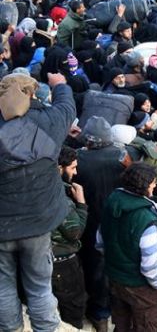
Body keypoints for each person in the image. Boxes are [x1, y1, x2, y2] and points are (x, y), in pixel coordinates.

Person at [0, 72, 74, 332]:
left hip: (2, 226)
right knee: (40, 285)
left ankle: (10, 329)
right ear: (32, 94)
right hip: (39, 221)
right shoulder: (51, 121)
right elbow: (67, 106)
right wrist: (61, 85)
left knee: (3, 283)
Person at [97, 163, 157, 332]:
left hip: (115, 278)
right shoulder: (145, 218)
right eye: (153, 183)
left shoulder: (113, 199)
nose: (155, 186)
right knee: (146, 325)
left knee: (121, 322)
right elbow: (149, 266)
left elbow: (99, 241)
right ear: (144, 186)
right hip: (139, 285)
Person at [53, 146, 89, 329]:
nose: (75, 173)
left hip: (38, 258)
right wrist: (81, 204)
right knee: (73, 308)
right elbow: (74, 232)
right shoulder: (60, 198)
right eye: (72, 168)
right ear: (60, 168)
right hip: (62, 263)